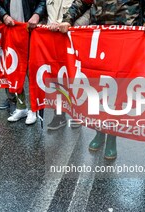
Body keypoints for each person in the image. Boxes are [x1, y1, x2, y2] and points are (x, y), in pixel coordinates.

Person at [57, 0, 145, 160]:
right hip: (99, 40)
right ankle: (99, 132)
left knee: (117, 93)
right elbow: (81, 2)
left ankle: (112, 137)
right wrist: (67, 19)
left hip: (127, 41)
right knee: (98, 89)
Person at [0, 0, 47, 125]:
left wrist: (37, 14)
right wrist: (4, 15)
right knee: (14, 68)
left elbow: (42, 2)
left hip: (30, 30)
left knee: (31, 70)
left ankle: (34, 109)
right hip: (11, 30)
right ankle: (21, 107)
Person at [46, 0, 90, 130]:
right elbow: (42, 9)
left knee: (75, 75)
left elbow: (89, 8)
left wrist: (74, 24)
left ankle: (77, 114)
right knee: (57, 76)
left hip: (73, 37)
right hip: (52, 37)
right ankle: (59, 115)